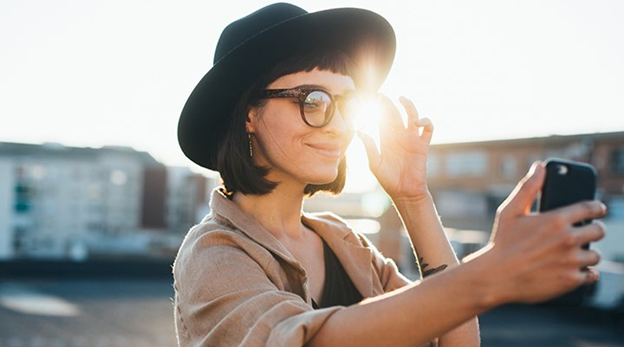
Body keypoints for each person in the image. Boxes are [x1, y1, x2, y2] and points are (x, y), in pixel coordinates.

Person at [172, 3, 607, 346]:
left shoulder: (345, 245)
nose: (340, 125)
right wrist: (491, 273)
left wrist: (412, 198)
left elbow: (453, 340)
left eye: (348, 103)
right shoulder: (213, 253)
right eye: (315, 100)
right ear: (248, 114)